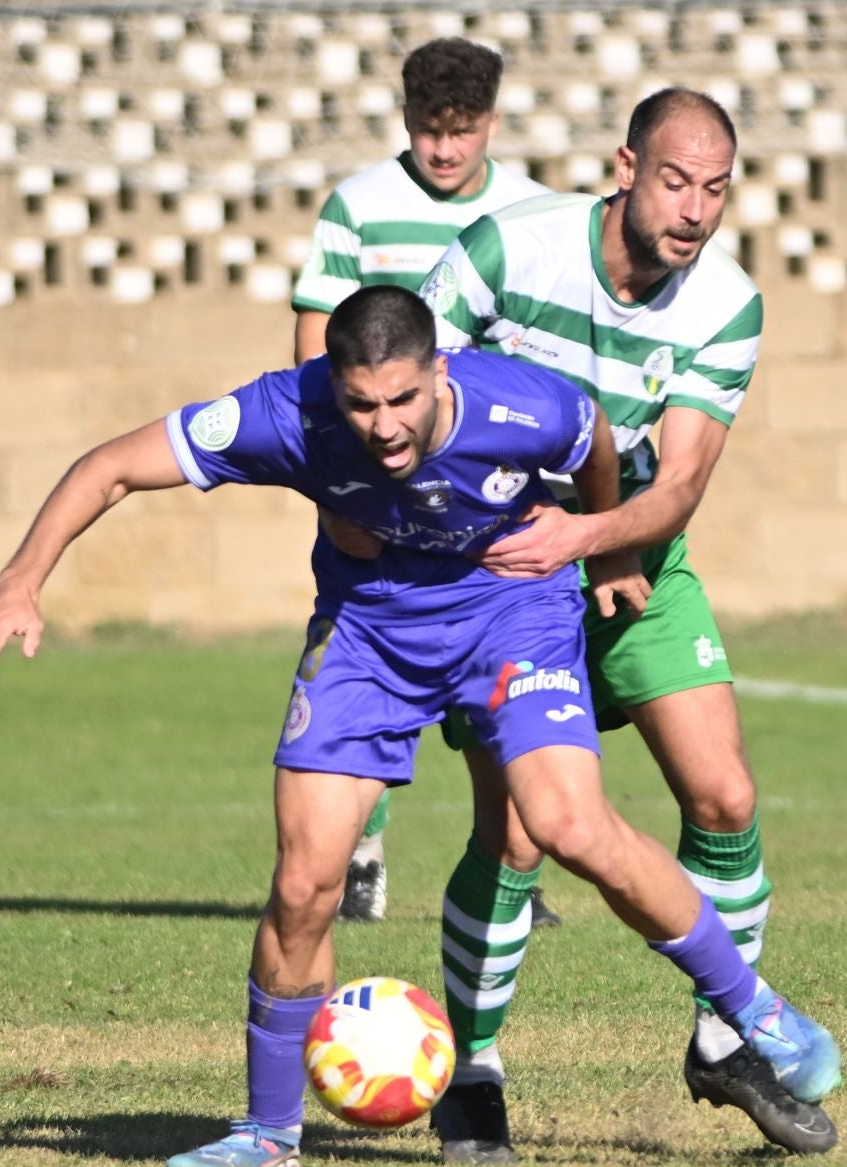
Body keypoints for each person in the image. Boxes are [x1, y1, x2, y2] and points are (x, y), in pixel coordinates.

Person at [0, 286, 841, 1167]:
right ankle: (268, 1135)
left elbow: (595, 441)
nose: (382, 426)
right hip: (368, 633)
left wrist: (602, 544)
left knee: (566, 824)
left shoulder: (522, 403)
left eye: (402, 399)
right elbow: (109, 466)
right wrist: (18, 582)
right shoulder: (285, 411)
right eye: (361, 404)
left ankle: (756, 1012)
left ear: (439, 371)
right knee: (305, 883)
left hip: (512, 613)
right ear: (332, 385)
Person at [410, 88, 838, 1161]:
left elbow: (681, 482)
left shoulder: (725, 304)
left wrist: (598, 539)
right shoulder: (510, 250)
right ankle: (473, 1072)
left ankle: (725, 1039)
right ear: (626, 167)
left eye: (715, 189)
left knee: (725, 794)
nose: (694, 209)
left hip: (635, 557)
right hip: (501, 573)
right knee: (515, 835)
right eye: (675, 181)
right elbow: (406, 390)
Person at [291, 37, 551, 924]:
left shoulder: (528, 214)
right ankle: (357, 855)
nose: (444, 149)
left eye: (462, 129)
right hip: (375, 480)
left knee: (494, 682)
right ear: (404, 118)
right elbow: (315, 344)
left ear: (493, 122)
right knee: (367, 660)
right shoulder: (358, 207)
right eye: (429, 129)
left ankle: (508, 868)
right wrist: (335, 483)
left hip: (482, 490)